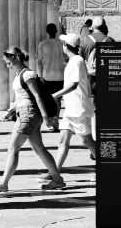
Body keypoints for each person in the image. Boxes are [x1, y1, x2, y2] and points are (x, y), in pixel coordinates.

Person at [0, 47, 64, 192]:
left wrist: (46, 117)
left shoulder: (27, 74)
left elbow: (37, 96)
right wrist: (11, 111)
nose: (7, 66)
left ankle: (3, 183)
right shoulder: (20, 74)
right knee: (39, 148)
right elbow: (21, 97)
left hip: (28, 115)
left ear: (16, 58)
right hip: (26, 113)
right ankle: (57, 179)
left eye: (9, 62)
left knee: (13, 148)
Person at [39, 33, 96, 182]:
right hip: (71, 108)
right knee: (63, 141)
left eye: (63, 43)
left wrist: (54, 95)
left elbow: (74, 84)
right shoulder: (73, 61)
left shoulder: (77, 61)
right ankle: (55, 173)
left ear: (66, 46)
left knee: (87, 141)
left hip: (78, 108)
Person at [37, 23, 65, 132]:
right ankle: (56, 119)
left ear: (47, 32)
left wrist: (39, 76)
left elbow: (39, 61)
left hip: (47, 75)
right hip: (60, 74)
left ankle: (49, 120)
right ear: (56, 31)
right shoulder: (61, 44)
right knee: (57, 98)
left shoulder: (42, 44)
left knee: (47, 99)